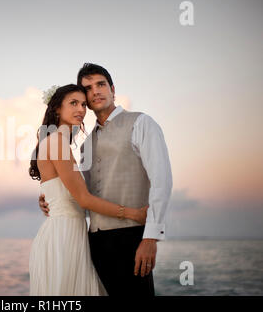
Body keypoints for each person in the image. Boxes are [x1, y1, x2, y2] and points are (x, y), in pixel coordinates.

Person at [39, 63, 173, 296]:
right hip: (93, 243)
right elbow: (87, 194)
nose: (95, 92)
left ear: (112, 89)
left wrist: (151, 237)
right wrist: (53, 197)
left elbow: (162, 180)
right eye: (88, 89)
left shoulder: (141, 123)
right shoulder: (86, 143)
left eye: (101, 84)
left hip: (131, 237)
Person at [28, 84, 148, 295]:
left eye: (83, 104)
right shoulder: (57, 142)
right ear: (57, 108)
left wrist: (49, 200)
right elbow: (83, 199)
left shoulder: (56, 142)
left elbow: (60, 190)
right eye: (73, 103)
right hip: (64, 236)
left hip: (69, 232)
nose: (81, 109)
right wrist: (134, 214)